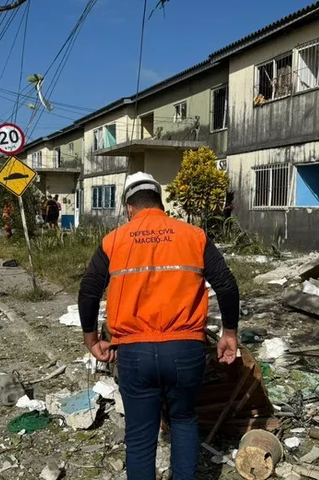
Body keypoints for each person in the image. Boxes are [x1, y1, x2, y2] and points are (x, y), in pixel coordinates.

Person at [77, 172, 240, 479]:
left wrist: (92, 338)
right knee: (182, 420)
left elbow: (88, 290)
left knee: (140, 435)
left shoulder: (114, 241)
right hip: (185, 349)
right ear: (159, 201)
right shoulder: (193, 235)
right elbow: (227, 285)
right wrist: (229, 334)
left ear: (129, 207)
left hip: (134, 353)